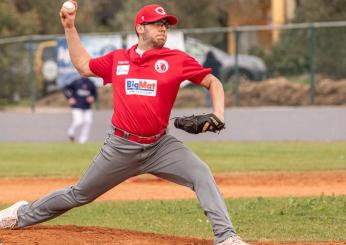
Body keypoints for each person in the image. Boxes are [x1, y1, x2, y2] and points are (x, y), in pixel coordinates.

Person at [0, 3, 249, 245]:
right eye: (157, 24)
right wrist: (69, 27)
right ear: (140, 28)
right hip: (120, 147)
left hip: (160, 146)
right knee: (80, 194)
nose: (163, 28)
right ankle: (18, 215)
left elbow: (213, 82)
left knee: (201, 173)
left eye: (166, 24)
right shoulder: (119, 59)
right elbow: (83, 65)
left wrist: (219, 114)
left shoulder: (176, 59)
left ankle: (226, 237)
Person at [63, 76, 98, 144]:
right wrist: (69, 98)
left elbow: (95, 94)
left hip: (87, 107)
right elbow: (65, 88)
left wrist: (92, 98)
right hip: (76, 106)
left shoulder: (91, 83)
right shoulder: (76, 81)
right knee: (79, 121)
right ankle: (71, 131)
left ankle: (83, 140)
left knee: (88, 122)